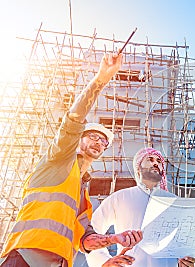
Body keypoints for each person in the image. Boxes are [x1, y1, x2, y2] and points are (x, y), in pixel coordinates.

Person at [0, 52, 142, 267]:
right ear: (78, 140)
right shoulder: (57, 161)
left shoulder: (82, 191)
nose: (98, 142)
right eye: (93, 136)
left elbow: (85, 239)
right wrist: (101, 78)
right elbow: (74, 119)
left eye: (103, 142)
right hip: (24, 256)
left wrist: (113, 239)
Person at [86, 147, 195, 267]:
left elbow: (187, 238)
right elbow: (94, 228)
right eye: (150, 159)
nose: (155, 163)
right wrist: (103, 261)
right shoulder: (120, 197)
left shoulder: (174, 202)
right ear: (138, 167)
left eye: (159, 162)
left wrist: (185, 261)